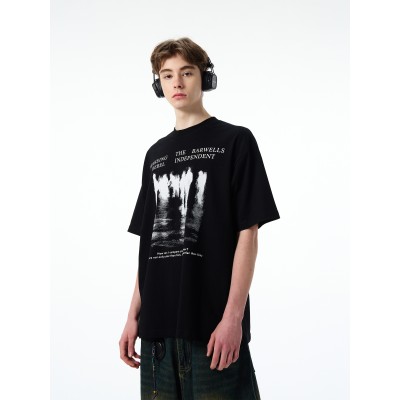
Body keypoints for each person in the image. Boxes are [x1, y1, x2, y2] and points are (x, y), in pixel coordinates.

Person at [119, 37, 280, 400]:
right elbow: (150, 247)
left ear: (204, 78)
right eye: (167, 75)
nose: (176, 82)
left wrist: (233, 319)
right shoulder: (155, 155)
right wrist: (133, 316)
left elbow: (248, 234)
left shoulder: (236, 141)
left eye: (187, 73)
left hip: (212, 330)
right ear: (158, 84)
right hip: (157, 336)